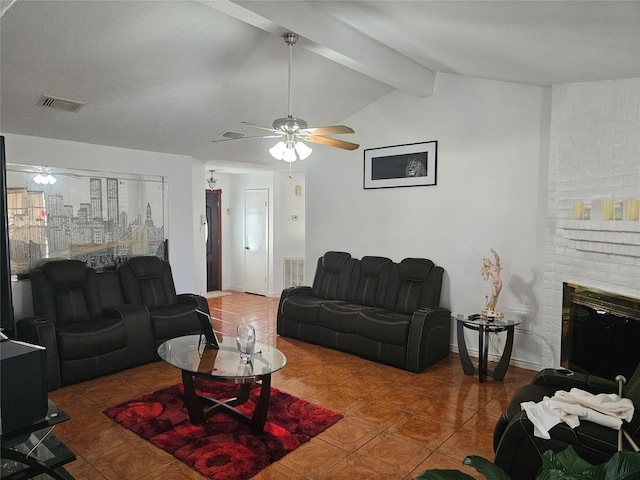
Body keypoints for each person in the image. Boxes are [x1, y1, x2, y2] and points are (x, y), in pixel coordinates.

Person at [481, 248, 503, 317]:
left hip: (499, 281)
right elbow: (486, 278)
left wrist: (494, 253)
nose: (487, 262)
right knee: (494, 294)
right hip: (493, 282)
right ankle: (489, 306)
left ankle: (492, 308)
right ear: (485, 264)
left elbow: (497, 259)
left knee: (496, 296)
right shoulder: (487, 270)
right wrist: (484, 274)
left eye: (487, 261)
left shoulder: (496, 266)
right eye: (485, 262)